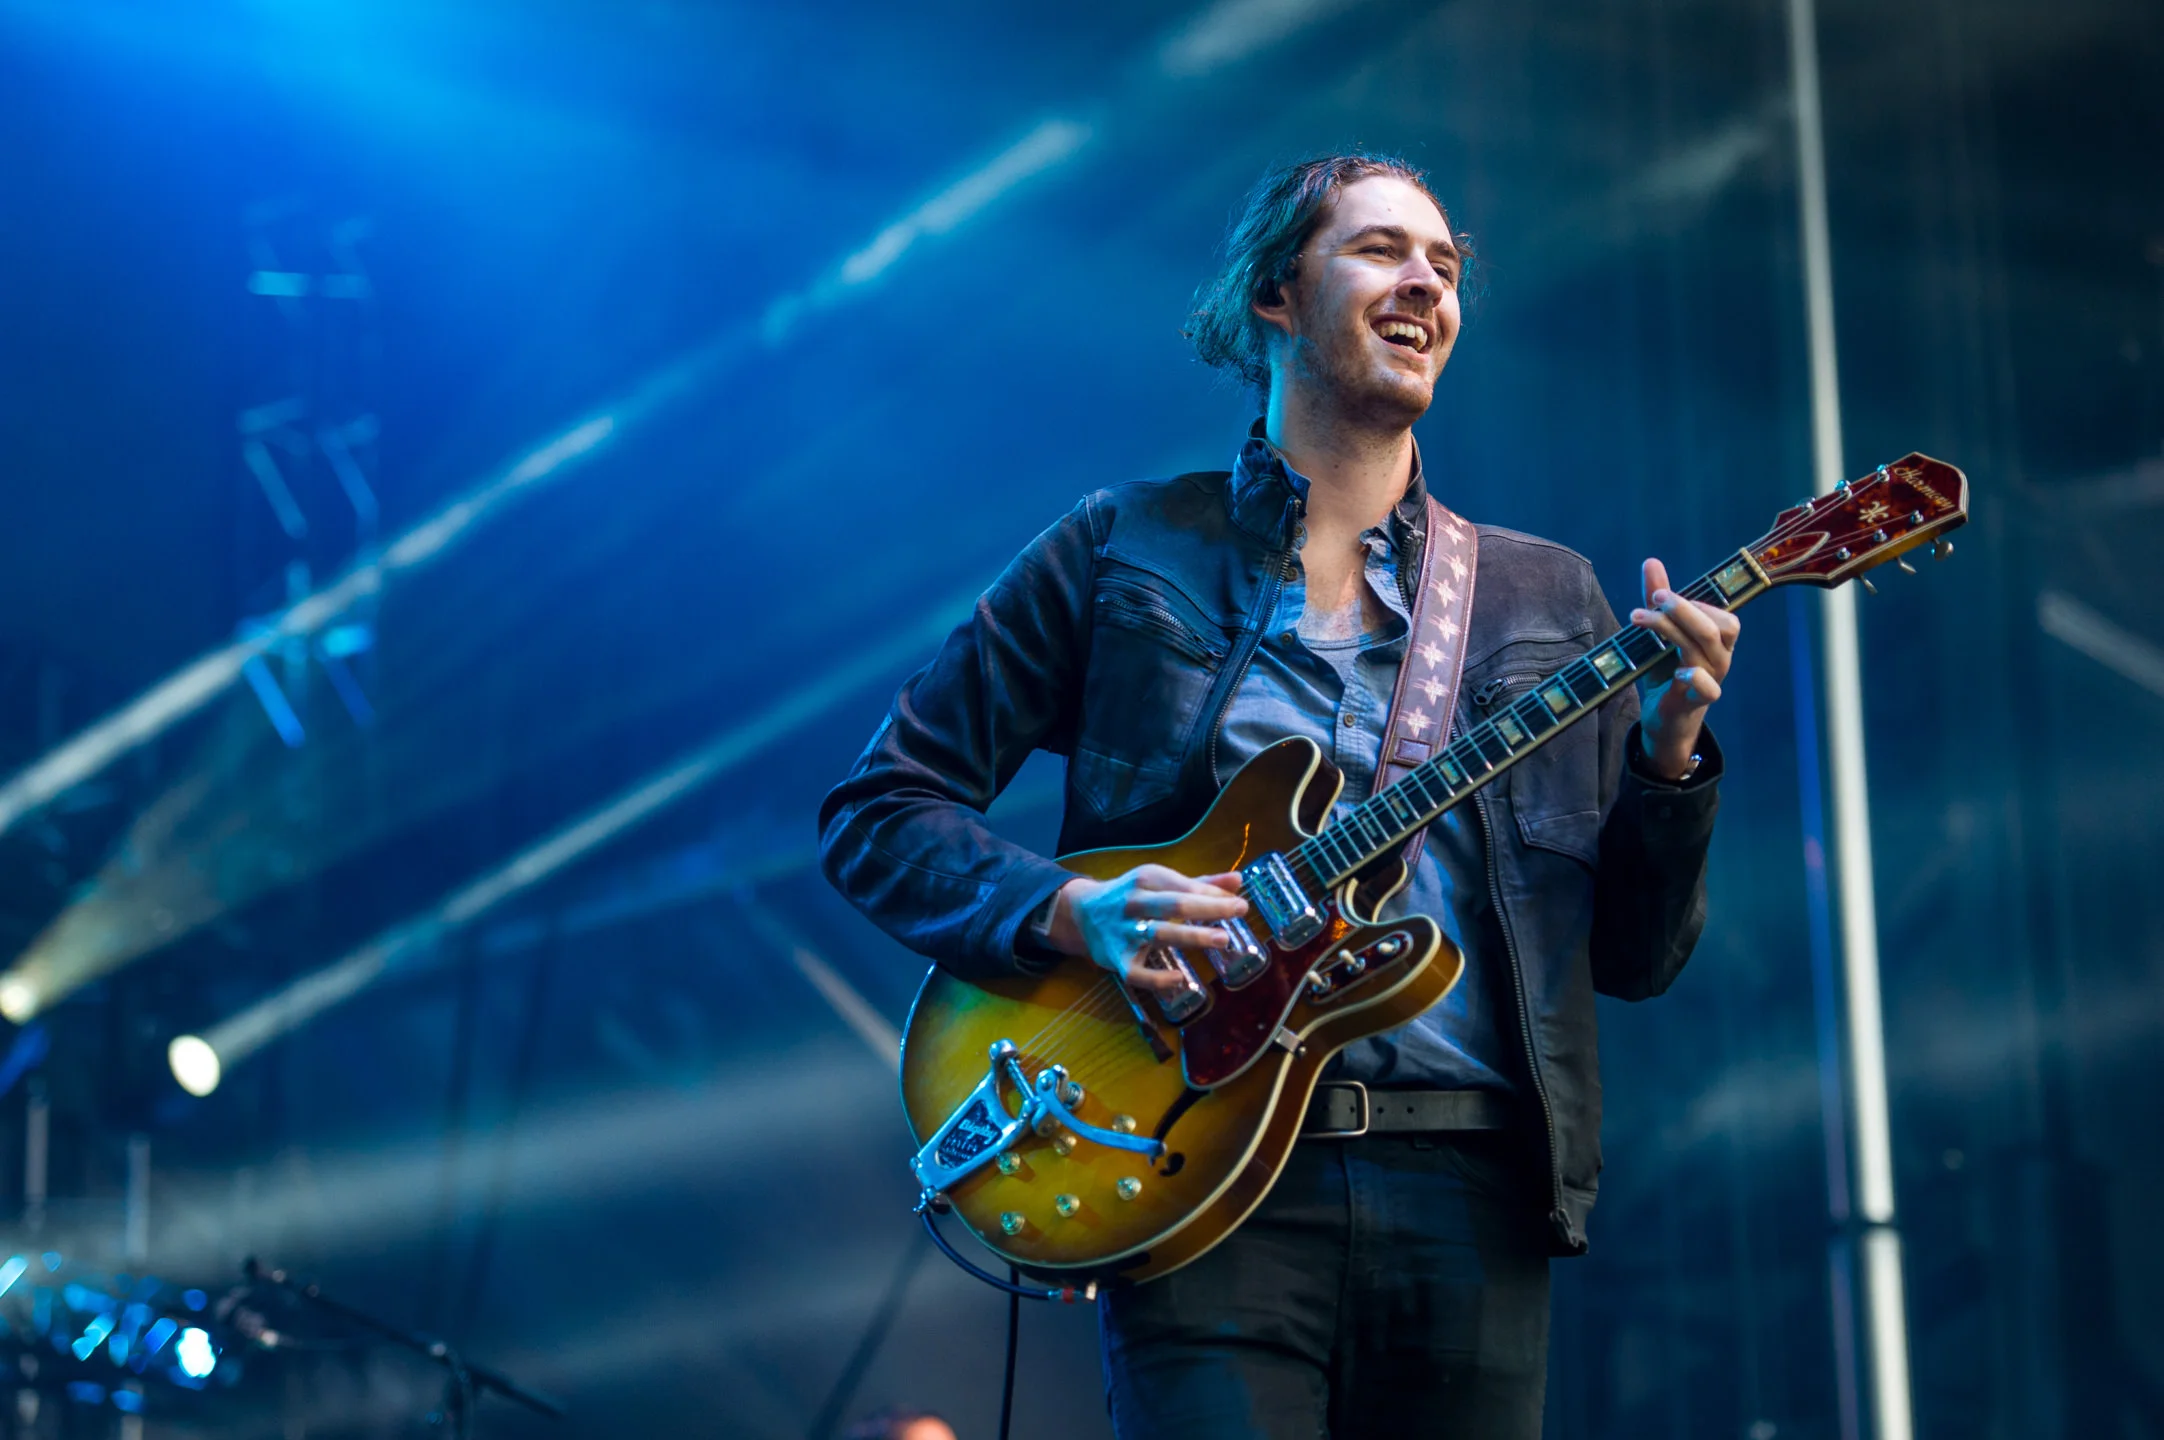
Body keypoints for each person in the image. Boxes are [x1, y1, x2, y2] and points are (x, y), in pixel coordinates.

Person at [818, 152, 1741, 1440]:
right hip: (1199, 1173)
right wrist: (1085, 917)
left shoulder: (1545, 601)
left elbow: (1635, 960)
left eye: (1447, 262)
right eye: (1380, 249)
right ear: (1275, 293)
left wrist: (1670, 753)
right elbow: (879, 813)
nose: (1427, 278)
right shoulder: (1123, 548)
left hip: (1472, 1194)